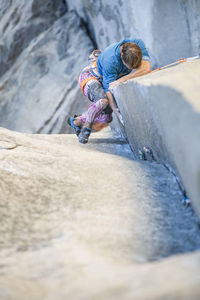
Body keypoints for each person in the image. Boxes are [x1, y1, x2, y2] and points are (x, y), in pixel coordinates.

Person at [68, 38, 151, 144]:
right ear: (121, 56)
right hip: (90, 77)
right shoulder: (110, 60)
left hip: (107, 77)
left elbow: (146, 68)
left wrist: (122, 79)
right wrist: (116, 110)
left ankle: (76, 121)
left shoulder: (138, 44)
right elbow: (109, 89)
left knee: (106, 119)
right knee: (103, 101)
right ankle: (86, 128)